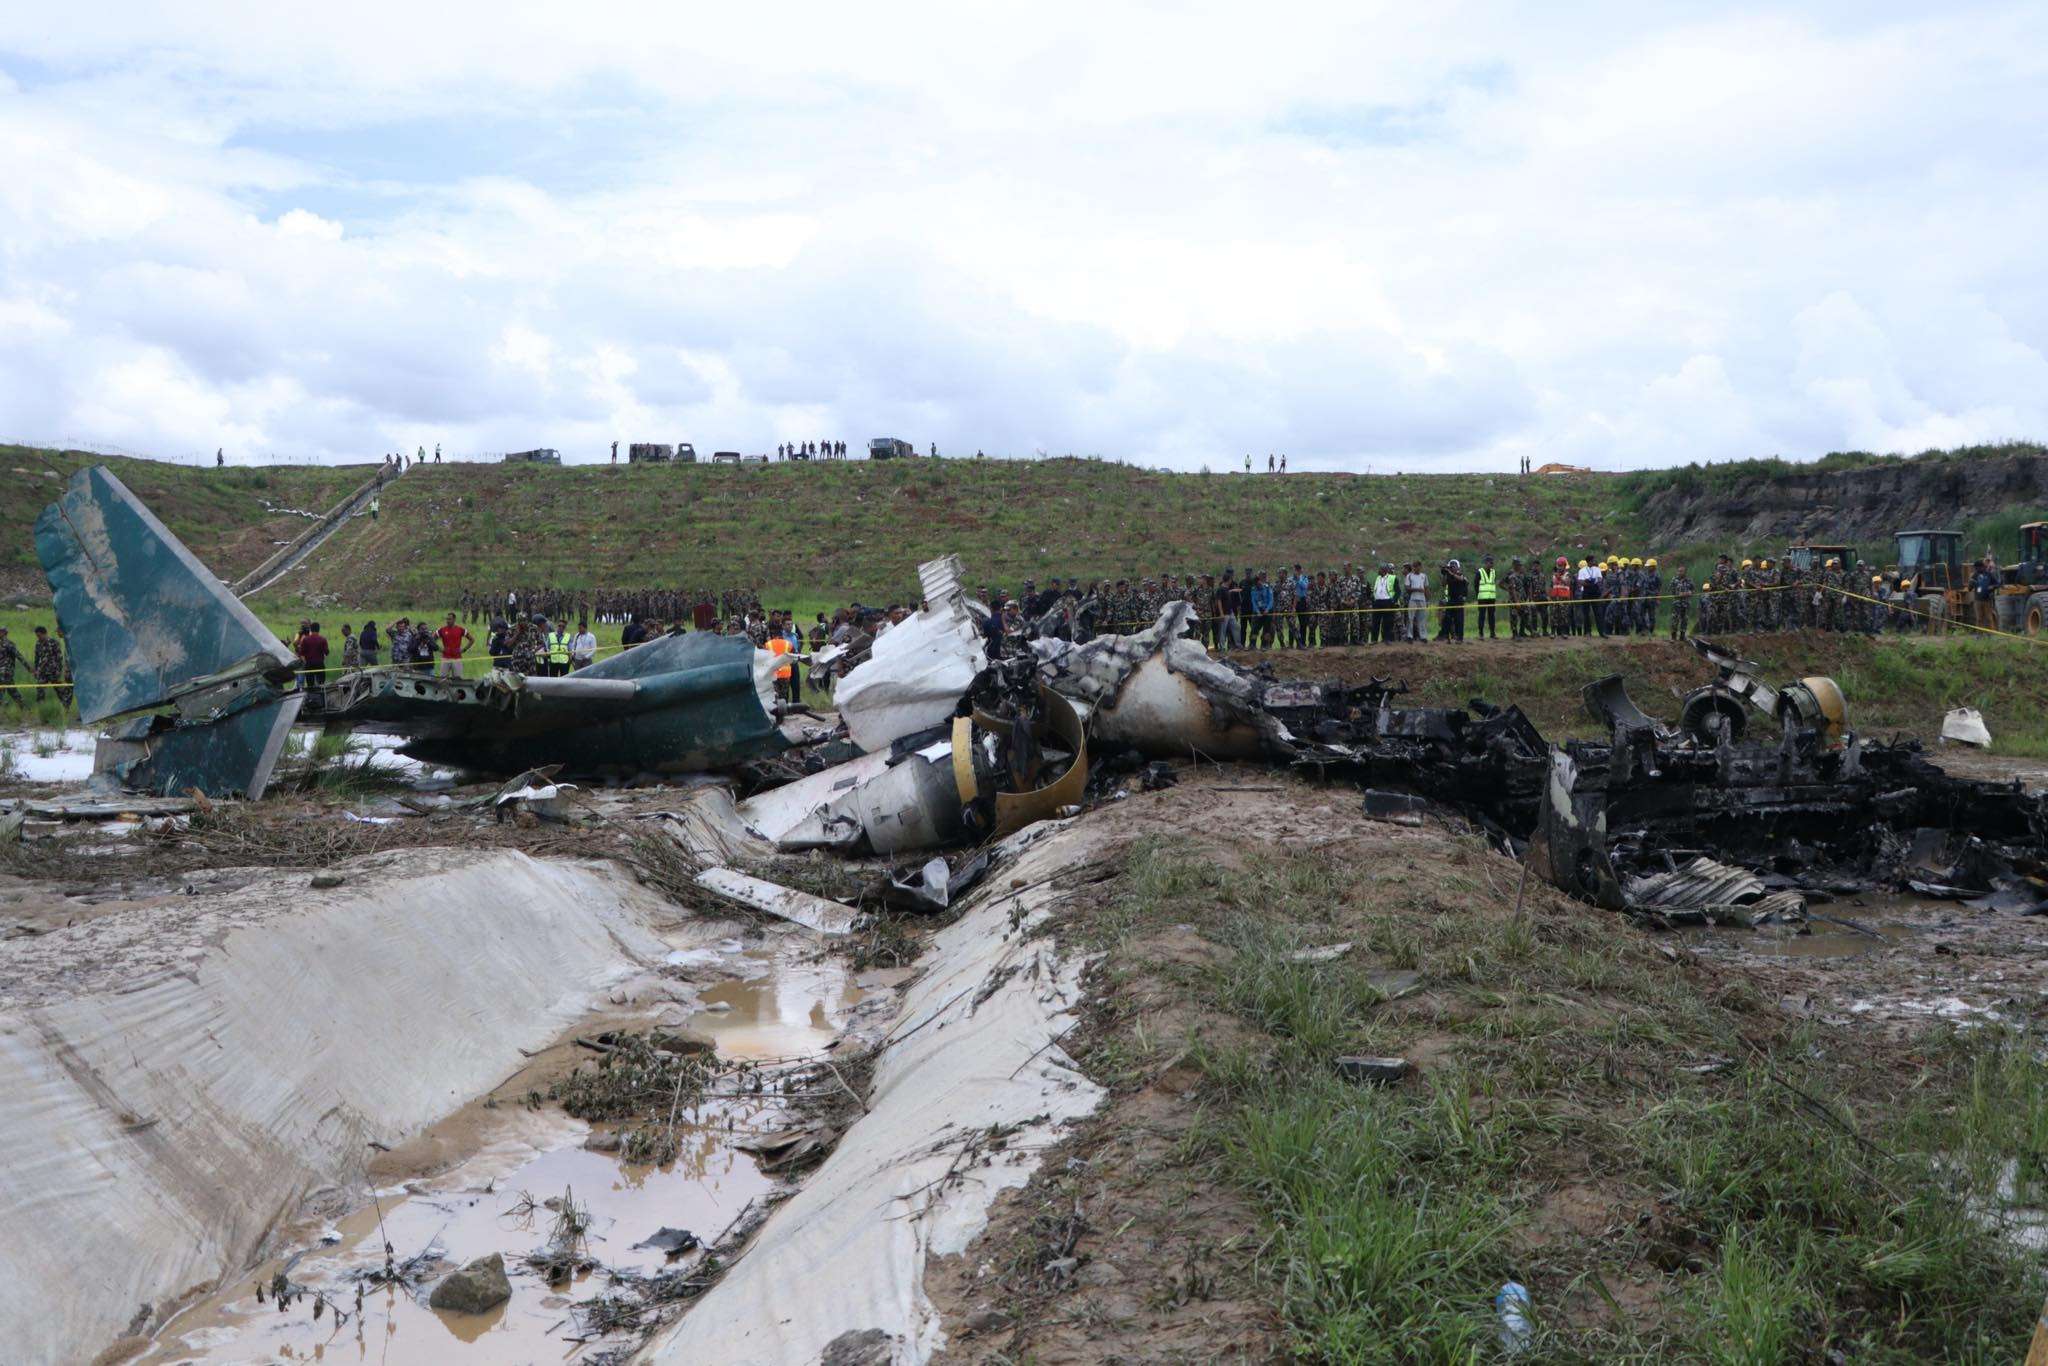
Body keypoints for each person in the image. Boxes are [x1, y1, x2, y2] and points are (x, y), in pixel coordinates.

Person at [436, 613, 474, 679]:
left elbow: (472, 640)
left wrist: (464, 649)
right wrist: (439, 649)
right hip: (445, 658)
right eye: (447, 619)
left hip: (457, 658)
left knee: (458, 679)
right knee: (442, 679)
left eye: (449, 619)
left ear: (454, 620)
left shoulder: (460, 629)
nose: (447, 621)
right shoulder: (442, 630)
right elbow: (432, 640)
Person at [299, 621, 330, 698]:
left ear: (310, 629)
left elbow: (301, 654)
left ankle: (311, 701)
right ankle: (321, 700)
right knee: (321, 684)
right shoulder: (323, 639)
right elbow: (327, 652)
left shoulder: (305, 640)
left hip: (309, 665)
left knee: (310, 685)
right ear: (319, 629)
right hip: (320, 664)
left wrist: (305, 662)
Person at [0, 627, 27, 712]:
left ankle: (5, 705)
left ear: (5, 633)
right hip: (2, 672)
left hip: (6, 672)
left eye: (1, 632)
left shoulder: (9, 644)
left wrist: (29, 668)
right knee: (12, 691)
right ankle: (24, 709)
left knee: (3, 690)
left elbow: (18, 656)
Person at [1474, 556, 1499, 639]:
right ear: (1486, 563)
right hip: (1482, 598)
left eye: (1492, 563)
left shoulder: (1493, 572)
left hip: (1491, 598)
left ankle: (1492, 633)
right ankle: (1481, 634)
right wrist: (1479, 594)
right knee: (1482, 616)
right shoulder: (1479, 572)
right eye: (1490, 563)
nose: (1492, 564)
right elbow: (1476, 585)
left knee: (1492, 616)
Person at [1971, 557, 1999, 631]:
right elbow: (1969, 588)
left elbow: (1997, 584)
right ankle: (1979, 634)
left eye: (1978, 567)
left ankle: (1990, 634)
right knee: (1979, 618)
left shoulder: (1989, 575)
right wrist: (1972, 584)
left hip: (1987, 600)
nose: (1976, 569)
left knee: (1989, 618)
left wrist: (1992, 587)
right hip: (1977, 600)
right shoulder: (1975, 575)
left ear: (1982, 567)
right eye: (1976, 568)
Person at [1403, 562, 1429, 642]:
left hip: (1422, 599)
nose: (1415, 569)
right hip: (1413, 599)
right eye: (1414, 567)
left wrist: (1427, 600)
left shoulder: (1424, 576)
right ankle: (1409, 636)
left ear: (1420, 567)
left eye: (1417, 567)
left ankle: (1423, 636)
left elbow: (1426, 588)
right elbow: (1407, 588)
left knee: (1422, 618)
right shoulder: (1409, 576)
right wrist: (1417, 589)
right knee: (1410, 618)